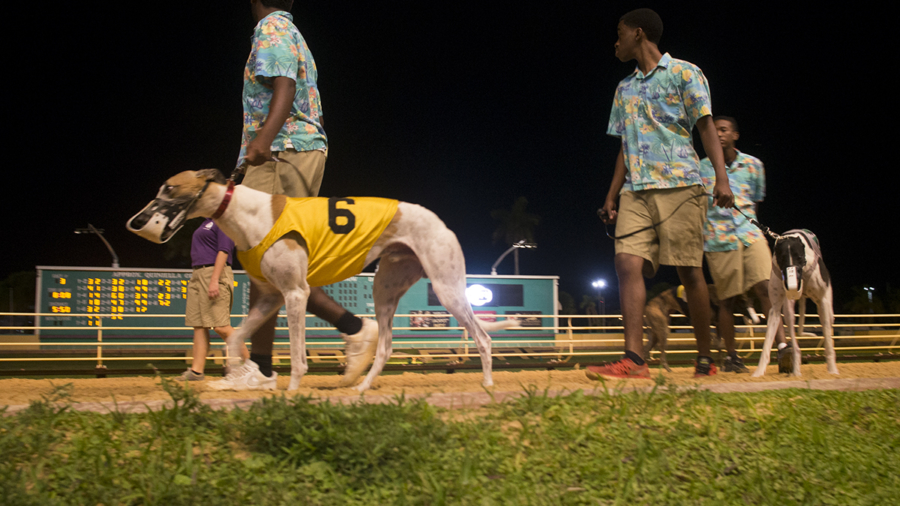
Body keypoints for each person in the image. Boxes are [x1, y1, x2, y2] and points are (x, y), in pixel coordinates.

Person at [210, 0, 377, 391]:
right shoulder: (292, 31)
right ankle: (352, 331)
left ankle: (264, 371)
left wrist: (263, 140)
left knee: (264, 259)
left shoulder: (272, 29)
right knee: (271, 265)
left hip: (283, 150)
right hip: (294, 149)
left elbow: (284, 84)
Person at [587, 8, 734, 381]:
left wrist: (721, 179)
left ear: (638, 33)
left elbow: (704, 128)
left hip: (681, 185)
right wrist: (611, 194)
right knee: (626, 263)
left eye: (619, 33)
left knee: (689, 271)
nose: (615, 41)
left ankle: (705, 357)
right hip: (636, 189)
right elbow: (624, 146)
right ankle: (634, 360)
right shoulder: (625, 88)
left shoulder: (685, 72)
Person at [700, 116, 791, 373]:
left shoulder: (754, 166)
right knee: (727, 301)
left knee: (766, 288)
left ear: (735, 135)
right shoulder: (701, 168)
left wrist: (753, 227)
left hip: (750, 234)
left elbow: (755, 203)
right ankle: (732, 357)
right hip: (719, 239)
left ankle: (783, 348)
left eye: (724, 130)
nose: (719, 134)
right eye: (714, 130)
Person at [179, 219, 249, 381]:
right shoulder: (205, 222)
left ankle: (250, 365)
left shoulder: (225, 221)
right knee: (199, 325)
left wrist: (214, 280)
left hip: (214, 272)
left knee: (221, 327)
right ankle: (197, 372)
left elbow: (224, 251)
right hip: (197, 273)